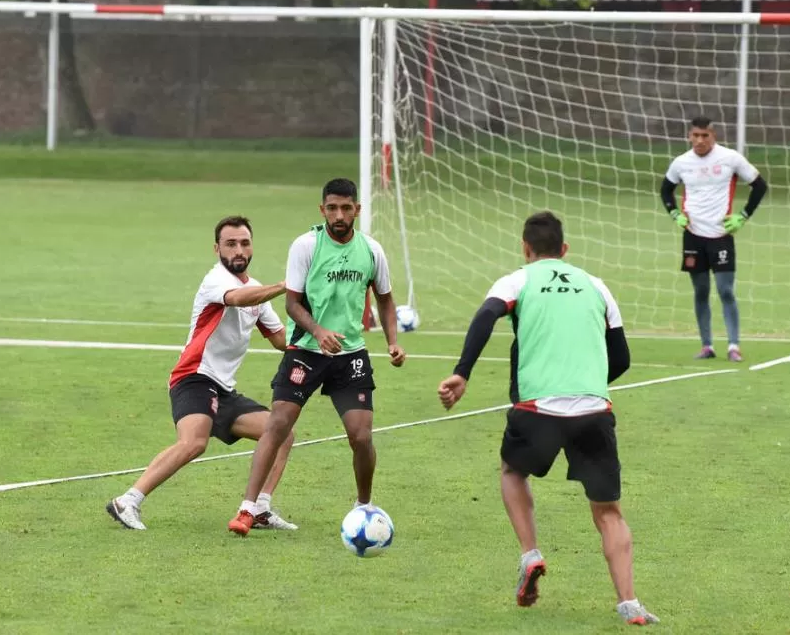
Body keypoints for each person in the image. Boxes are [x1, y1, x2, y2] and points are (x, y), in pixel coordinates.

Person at [437, 211, 658, 626]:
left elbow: (486, 315)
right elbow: (622, 358)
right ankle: (629, 604)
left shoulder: (518, 280)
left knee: (511, 471)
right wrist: (588, 381)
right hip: (594, 409)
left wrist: (462, 372)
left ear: (526, 248)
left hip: (538, 407)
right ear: (565, 250)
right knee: (608, 511)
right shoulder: (596, 285)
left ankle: (530, 553)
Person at [227, 178, 406, 537]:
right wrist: (319, 331)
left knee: (361, 436)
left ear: (357, 209)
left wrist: (392, 341)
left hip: (350, 353)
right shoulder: (306, 246)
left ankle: (363, 507)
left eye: (346, 208)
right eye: (332, 208)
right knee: (278, 423)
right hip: (307, 351)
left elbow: (385, 298)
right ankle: (249, 508)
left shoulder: (372, 250)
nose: (339, 215)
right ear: (322, 209)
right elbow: (292, 303)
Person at [106, 216, 298, 531]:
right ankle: (127, 501)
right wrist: (285, 286)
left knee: (281, 432)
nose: (239, 250)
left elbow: (280, 340)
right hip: (193, 378)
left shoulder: (256, 291)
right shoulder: (217, 280)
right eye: (231, 243)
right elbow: (237, 299)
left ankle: (260, 509)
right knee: (194, 442)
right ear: (217, 248)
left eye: (245, 243)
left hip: (223, 390)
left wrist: (318, 336)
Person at [660, 115, 768, 362]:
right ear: (689, 136)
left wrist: (742, 216)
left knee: (725, 290)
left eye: (704, 136)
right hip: (693, 236)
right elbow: (665, 189)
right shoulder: (681, 163)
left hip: (721, 235)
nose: (700, 141)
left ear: (713, 136)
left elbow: (759, 186)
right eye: (695, 135)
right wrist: (675, 213)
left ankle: (733, 346)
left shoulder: (730, 159)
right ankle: (707, 345)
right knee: (700, 291)